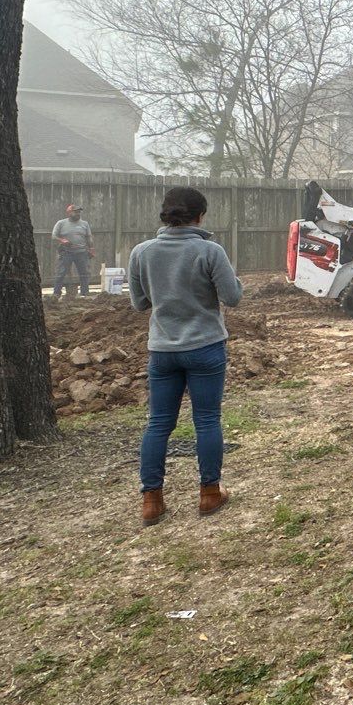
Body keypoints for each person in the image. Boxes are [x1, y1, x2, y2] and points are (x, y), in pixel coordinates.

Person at [128, 186, 243, 527]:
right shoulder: (210, 251)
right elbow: (232, 297)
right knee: (206, 420)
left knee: (158, 424)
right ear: (200, 216)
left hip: (162, 351)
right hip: (205, 347)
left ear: (164, 215)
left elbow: (139, 303)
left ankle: (152, 501)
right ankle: (209, 494)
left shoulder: (142, 252)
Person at [52, 203, 96, 301]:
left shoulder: (85, 224)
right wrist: (62, 240)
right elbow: (54, 236)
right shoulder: (61, 223)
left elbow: (89, 237)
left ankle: (84, 293)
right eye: (75, 212)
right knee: (61, 273)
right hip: (66, 252)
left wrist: (91, 249)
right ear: (69, 212)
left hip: (81, 252)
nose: (78, 214)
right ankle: (56, 294)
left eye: (79, 212)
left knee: (84, 273)